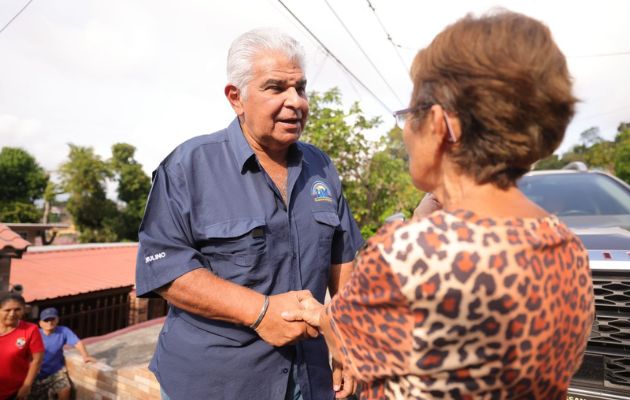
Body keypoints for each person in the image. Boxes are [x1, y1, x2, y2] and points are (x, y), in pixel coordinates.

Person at [281, 10, 595, 400]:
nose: (407, 132)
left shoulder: (409, 254)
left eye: (410, 114)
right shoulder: (566, 246)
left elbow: (348, 341)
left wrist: (316, 313)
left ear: (444, 125)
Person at [135, 27, 364, 400]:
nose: (296, 102)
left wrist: (345, 334)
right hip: (218, 383)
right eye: (276, 88)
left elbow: (345, 260)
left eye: (301, 88)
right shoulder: (189, 166)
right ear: (236, 98)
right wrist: (261, 313)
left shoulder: (321, 167)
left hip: (312, 378)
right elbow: (166, 269)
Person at [30, 307, 96, 400]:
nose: (50, 323)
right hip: (37, 374)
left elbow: (77, 343)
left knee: (65, 389)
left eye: (52, 319)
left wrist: (85, 356)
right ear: (40, 323)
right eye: (46, 320)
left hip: (56, 372)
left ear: (57, 320)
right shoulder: (35, 334)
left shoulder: (63, 331)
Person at [0, 293, 44, 400]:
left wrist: (27, 386)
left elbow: (37, 360)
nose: (12, 314)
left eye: (17, 309)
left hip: (13, 392)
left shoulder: (30, 330)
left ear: (23, 310)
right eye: (7, 310)